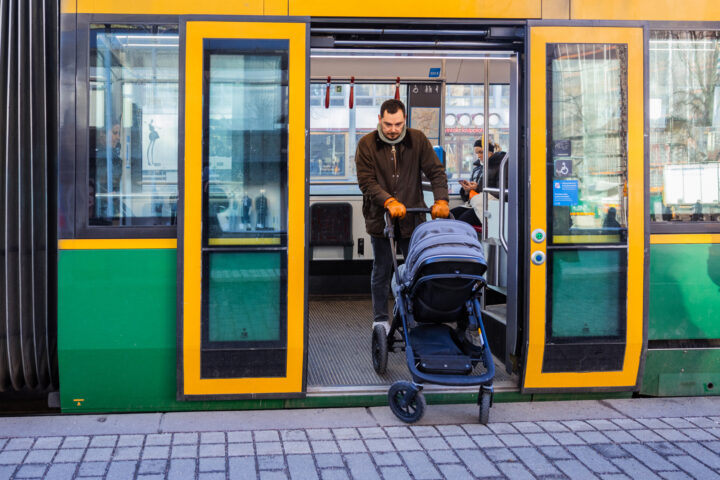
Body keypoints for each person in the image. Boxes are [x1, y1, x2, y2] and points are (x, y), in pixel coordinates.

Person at [355, 99, 449, 334]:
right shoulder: (366, 144)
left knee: (416, 268)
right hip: (381, 217)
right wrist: (388, 201)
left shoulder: (417, 140)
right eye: (388, 124)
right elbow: (366, 182)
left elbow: (436, 172)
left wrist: (441, 199)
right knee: (382, 268)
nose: (393, 129)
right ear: (380, 119)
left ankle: (415, 315)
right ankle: (380, 319)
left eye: (398, 124)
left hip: (413, 216)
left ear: (405, 120)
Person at [450, 139, 495, 228]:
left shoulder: (496, 168)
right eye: (476, 153)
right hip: (472, 203)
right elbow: (471, 194)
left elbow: (494, 191)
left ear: (490, 152)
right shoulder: (477, 169)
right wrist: (466, 190)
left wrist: (476, 188)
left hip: (485, 205)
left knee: (461, 221)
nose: (478, 156)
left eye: (481, 152)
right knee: (450, 215)